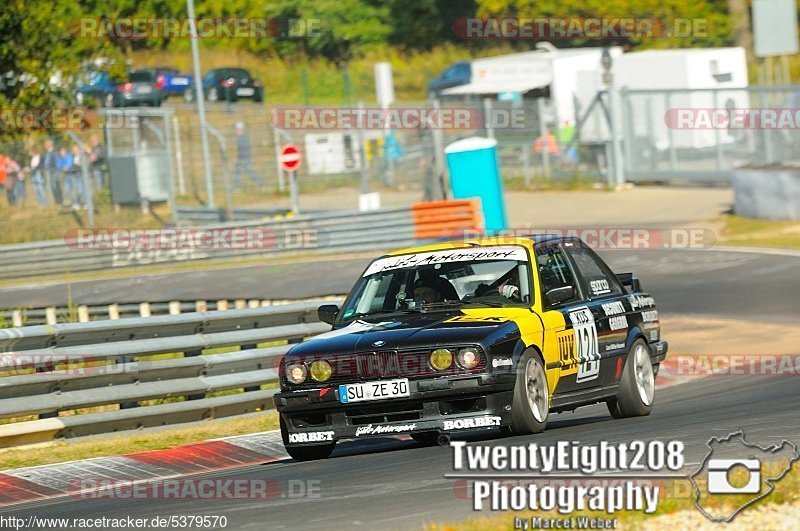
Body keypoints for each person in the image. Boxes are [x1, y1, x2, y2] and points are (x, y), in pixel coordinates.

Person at [233, 122, 263, 191]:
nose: (236, 131)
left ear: (240, 129)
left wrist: (238, 158)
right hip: (244, 158)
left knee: (246, 172)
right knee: (246, 172)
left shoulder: (241, 138)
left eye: (237, 129)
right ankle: (260, 183)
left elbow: (243, 150)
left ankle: (236, 188)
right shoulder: (242, 137)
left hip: (244, 159)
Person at [42, 138, 60, 205]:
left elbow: (57, 162)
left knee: (55, 186)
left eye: (45, 144)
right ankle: (53, 201)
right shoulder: (46, 153)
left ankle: (59, 201)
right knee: (50, 187)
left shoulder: (55, 152)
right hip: (47, 172)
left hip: (54, 171)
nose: (44, 145)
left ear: (49, 144)